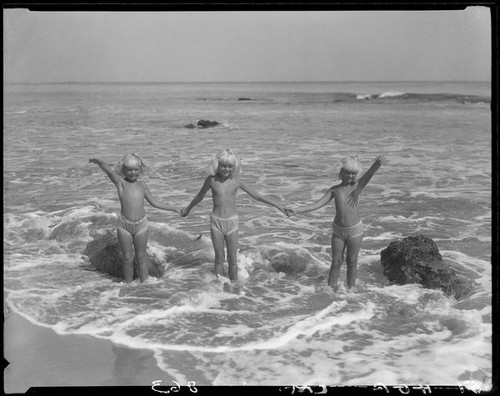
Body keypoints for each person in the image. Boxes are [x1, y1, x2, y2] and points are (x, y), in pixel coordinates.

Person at [181, 148, 287, 282]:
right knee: (219, 258)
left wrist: (279, 206)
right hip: (216, 222)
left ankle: (234, 286)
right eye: (223, 166)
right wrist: (188, 209)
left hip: (232, 223)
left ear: (234, 167)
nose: (226, 169)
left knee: (232, 259)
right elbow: (199, 197)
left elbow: (256, 196)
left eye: (230, 167)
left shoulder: (236, 181)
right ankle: (219, 286)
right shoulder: (211, 180)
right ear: (217, 165)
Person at [285, 156, 386, 290]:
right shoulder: (334, 190)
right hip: (338, 231)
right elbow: (317, 204)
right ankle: (330, 289)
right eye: (347, 172)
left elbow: (369, 175)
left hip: (355, 230)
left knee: (352, 261)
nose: (350, 175)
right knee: (336, 261)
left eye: (353, 173)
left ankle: (351, 289)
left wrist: (376, 165)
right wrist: (297, 210)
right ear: (340, 172)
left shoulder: (357, 187)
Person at [89, 153, 181, 283]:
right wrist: (99, 162)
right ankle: (128, 285)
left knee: (141, 257)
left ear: (140, 169)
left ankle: (144, 284)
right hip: (124, 226)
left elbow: (154, 202)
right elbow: (109, 171)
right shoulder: (120, 183)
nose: (132, 172)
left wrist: (173, 208)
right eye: (129, 170)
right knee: (127, 258)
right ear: (123, 170)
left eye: (136, 169)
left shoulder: (142, 186)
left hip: (141, 225)